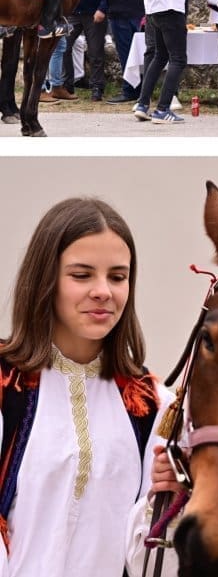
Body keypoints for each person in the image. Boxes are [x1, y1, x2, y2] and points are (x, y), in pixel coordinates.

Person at [0, 197, 181, 575]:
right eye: (81, 275)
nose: (103, 291)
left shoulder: (152, 403)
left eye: (117, 276)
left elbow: (149, 563)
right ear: (44, 280)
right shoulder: (6, 384)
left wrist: (168, 505)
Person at [64, 0, 108, 101]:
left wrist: (102, 8)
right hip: (73, 13)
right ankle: (67, 84)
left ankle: (97, 87)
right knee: (65, 47)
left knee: (95, 52)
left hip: (93, 13)